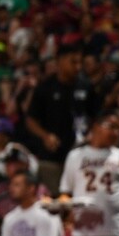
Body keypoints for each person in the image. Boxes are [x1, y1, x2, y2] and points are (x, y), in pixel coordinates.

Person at [59, 110, 119, 236]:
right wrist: (66, 212)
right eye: (111, 126)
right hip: (83, 230)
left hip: (115, 230)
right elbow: (66, 192)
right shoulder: (75, 156)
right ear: (96, 127)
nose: (115, 132)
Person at [25, 51, 94, 195]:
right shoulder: (45, 87)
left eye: (80, 63)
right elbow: (31, 120)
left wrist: (92, 134)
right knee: (55, 200)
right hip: (52, 156)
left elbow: (96, 116)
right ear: (60, 62)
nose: (78, 67)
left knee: (80, 197)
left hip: (80, 153)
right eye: (73, 62)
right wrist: (45, 136)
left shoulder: (86, 86)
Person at [0, 171, 63, 236]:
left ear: (31, 188)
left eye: (16, 185)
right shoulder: (9, 217)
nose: (11, 188)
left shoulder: (46, 212)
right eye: (11, 184)